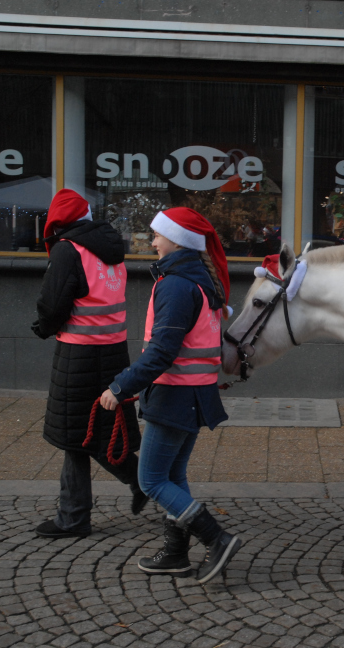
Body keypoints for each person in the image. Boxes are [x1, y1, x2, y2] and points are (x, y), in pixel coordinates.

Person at [98, 207, 241, 585]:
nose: (153, 241)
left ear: (177, 240)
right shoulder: (197, 282)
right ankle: (176, 553)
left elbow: (162, 352)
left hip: (175, 396)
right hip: (194, 396)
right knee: (173, 476)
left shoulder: (177, 285)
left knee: (152, 481)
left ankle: (217, 538)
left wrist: (120, 386)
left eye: (158, 235)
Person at [32, 188, 146, 539]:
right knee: (99, 431)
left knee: (77, 435)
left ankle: (76, 516)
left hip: (79, 354)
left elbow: (53, 304)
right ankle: (136, 483)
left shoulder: (69, 250)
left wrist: (42, 327)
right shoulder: (112, 248)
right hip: (113, 351)